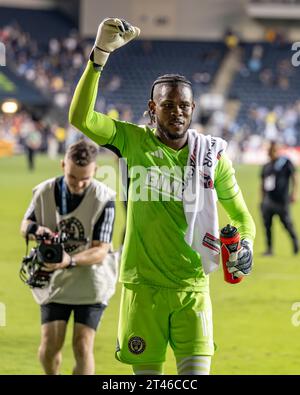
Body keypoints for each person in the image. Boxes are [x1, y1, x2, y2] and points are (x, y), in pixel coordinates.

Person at [69, 18, 256, 375]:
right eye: (168, 105)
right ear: (152, 109)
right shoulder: (131, 141)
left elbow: (243, 217)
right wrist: (99, 57)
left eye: (184, 106)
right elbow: (80, 117)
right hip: (143, 288)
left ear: (193, 108)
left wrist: (244, 244)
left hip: (193, 289)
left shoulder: (211, 157)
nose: (178, 112)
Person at [20, 139, 117, 375]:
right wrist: (37, 231)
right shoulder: (44, 190)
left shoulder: (104, 197)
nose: (79, 184)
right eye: (73, 177)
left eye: (85, 178)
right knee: (49, 346)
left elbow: (101, 249)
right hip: (55, 279)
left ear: (95, 170)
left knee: (82, 346)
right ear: (63, 165)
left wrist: (70, 261)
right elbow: (25, 225)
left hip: (92, 280)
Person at [260, 141, 299, 256]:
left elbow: (295, 177)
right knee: (267, 226)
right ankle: (269, 249)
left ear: (276, 150)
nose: (269, 152)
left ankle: (296, 245)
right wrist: (262, 200)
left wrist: (294, 193)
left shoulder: (285, 162)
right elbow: (262, 183)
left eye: (271, 150)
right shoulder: (266, 166)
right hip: (268, 201)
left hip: (282, 201)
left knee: (287, 224)